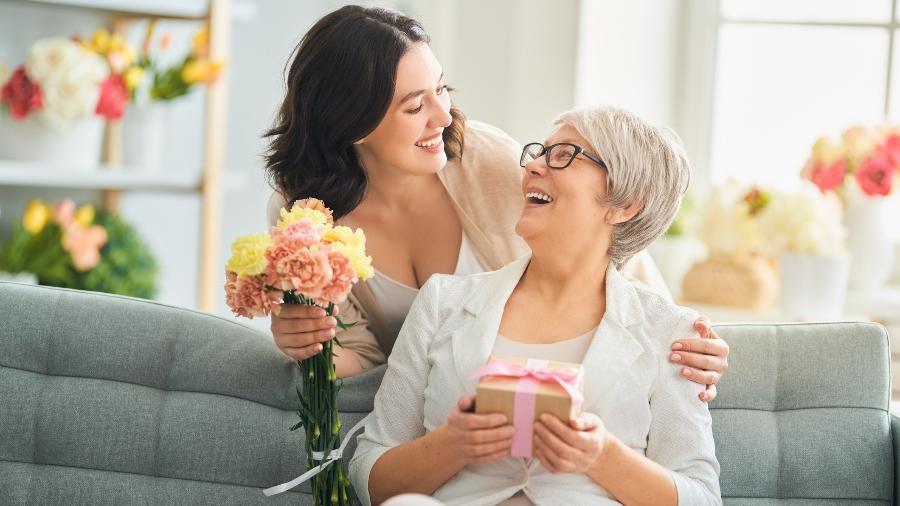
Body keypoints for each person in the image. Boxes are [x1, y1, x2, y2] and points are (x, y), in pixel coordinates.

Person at [264, 5, 728, 400]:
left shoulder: (485, 159)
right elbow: (364, 360)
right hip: (440, 410)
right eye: (414, 106)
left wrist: (680, 344)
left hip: (550, 390)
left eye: (440, 89)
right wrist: (308, 343)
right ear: (353, 124)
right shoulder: (303, 217)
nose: (443, 116)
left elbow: (607, 244)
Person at [349, 105, 721, 505]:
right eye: (539, 153)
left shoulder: (674, 333)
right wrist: (451, 445)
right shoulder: (443, 303)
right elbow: (370, 474)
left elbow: (702, 497)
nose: (533, 167)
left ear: (625, 204)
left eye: (564, 155)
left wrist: (604, 458)